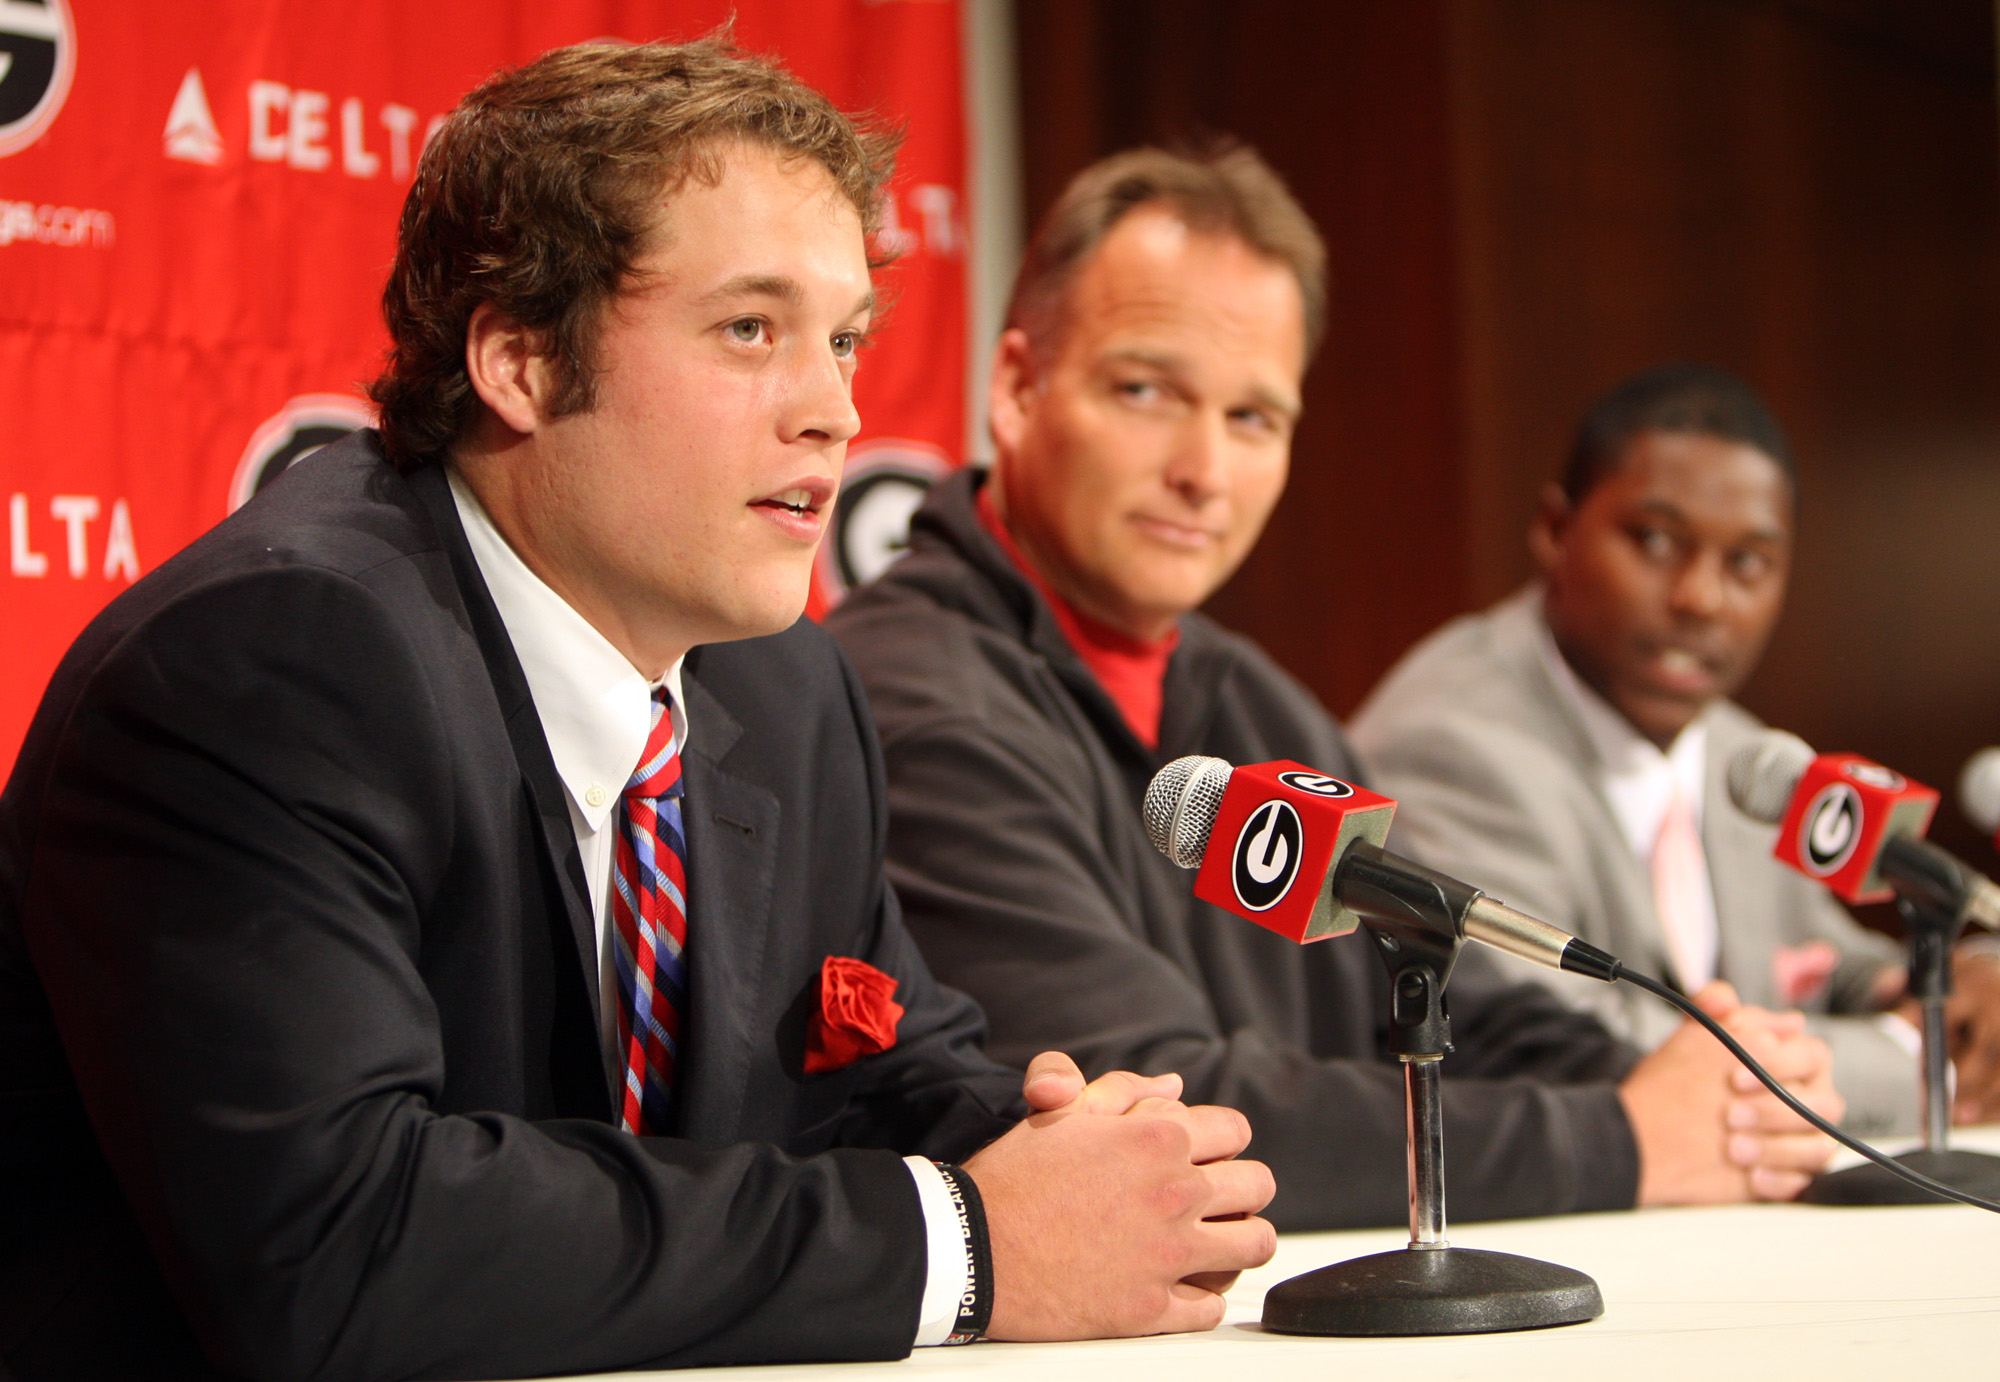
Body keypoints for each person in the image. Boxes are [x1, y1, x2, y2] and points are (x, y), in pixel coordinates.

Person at [0, 42, 1278, 1382]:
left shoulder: (784, 688)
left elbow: (888, 1068)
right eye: (751, 330)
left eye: (843, 339)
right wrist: (965, 1238)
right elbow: (341, 1239)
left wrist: (1054, 1153)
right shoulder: (269, 666)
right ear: (520, 361)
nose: (836, 410)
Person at [825, 146, 1843, 1233]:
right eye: (1145, 390)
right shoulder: (908, 691)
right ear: (1017, 388)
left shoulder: (1242, 692)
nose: (1202, 471)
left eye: (1252, 418)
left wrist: (1713, 1097)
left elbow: (1451, 995)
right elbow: (1151, 1112)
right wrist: (1627, 1139)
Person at [1350, 363, 2000, 1136]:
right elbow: (1584, 1051)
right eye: (1656, 542)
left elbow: (1823, 957)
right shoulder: (1451, 742)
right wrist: (1912, 1056)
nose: (1701, 598)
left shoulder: (1743, 753)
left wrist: (1958, 986)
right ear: (1556, 532)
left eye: (1747, 562)